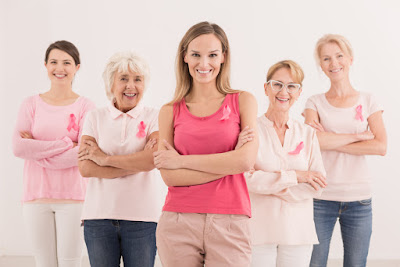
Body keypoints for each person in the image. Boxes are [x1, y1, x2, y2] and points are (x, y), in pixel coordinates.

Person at [153, 21, 259, 267]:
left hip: (231, 220)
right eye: (196, 55)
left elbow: (245, 161)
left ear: (223, 57)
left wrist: (181, 161)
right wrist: (227, 161)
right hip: (178, 221)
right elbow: (170, 177)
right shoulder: (170, 111)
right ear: (185, 57)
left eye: (212, 55)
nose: (204, 64)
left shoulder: (243, 101)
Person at [303, 34, 387, 267]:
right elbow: (313, 142)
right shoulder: (314, 102)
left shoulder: (369, 100)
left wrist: (331, 140)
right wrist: (358, 137)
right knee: (314, 263)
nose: (334, 63)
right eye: (327, 58)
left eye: (339, 56)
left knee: (355, 264)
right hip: (321, 198)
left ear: (350, 59)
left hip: (359, 199)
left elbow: (380, 146)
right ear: (321, 65)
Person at [12, 40, 95, 267]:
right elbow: (19, 147)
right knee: (44, 263)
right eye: (54, 62)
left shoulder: (86, 106)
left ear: (77, 67)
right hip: (36, 198)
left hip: (74, 199)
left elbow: (85, 152)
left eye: (67, 62)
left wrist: (37, 150)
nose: (60, 68)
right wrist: (65, 144)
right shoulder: (30, 104)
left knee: (70, 262)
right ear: (46, 66)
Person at [78, 51, 163, 267]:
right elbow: (86, 168)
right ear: (111, 83)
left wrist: (104, 159)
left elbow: (152, 160)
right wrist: (139, 161)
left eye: (137, 79)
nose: (130, 86)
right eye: (123, 79)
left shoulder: (155, 116)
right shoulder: (95, 117)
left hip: (142, 218)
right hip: (98, 218)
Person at [241, 60, 326, 267]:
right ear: (266, 88)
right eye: (277, 84)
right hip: (259, 231)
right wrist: (295, 176)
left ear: (299, 92)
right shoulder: (251, 131)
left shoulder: (307, 133)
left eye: (291, 86)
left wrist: (270, 185)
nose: (284, 92)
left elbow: (317, 185)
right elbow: (246, 180)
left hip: (298, 233)